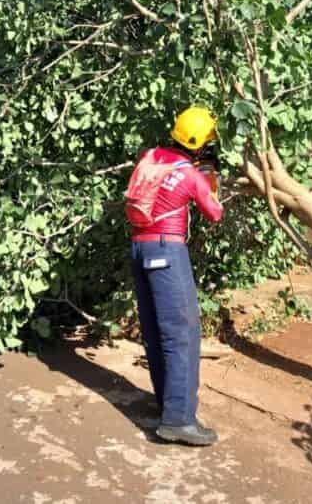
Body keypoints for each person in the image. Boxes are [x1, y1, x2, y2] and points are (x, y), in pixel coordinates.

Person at [124, 107, 223, 446]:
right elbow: (214, 213)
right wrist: (211, 177)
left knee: (155, 330)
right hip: (167, 252)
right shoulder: (192, 174)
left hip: (139, 250)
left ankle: (168, 404)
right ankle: (179, 421)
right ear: (199, 144)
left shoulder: (151, 157)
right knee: (182, 333)